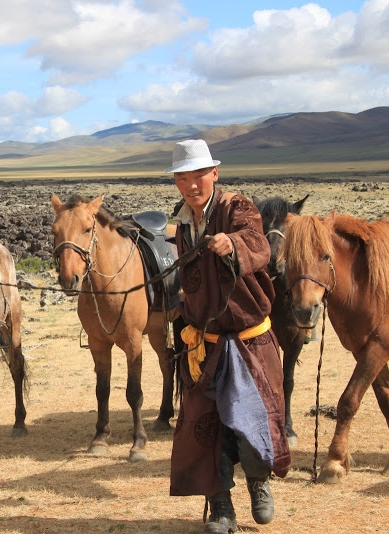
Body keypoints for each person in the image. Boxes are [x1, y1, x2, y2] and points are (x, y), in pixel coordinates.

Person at [167, 139, 290, 533]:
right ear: (176, 181)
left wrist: (231, 243)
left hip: (249, 340)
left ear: (214, 174)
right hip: (205, 343)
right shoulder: (181, 220)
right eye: (183, 177)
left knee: (251, 420)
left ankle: (259, 481)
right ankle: (221, 506)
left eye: (199, 175)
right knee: (205, 426)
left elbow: (257, 243)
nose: (192, 184)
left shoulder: (237, 207)